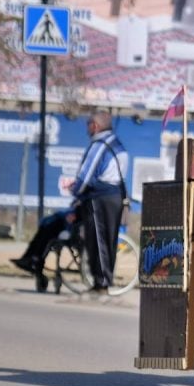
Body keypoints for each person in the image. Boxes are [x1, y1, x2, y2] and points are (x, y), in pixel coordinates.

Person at [70, 110, 128, 295]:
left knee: (98, 240)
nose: (87, 128)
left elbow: (85, 177)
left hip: (100, 198)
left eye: (88, 124)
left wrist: (76, 194)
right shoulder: (117, 144)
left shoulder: (99, 146)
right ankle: (102, 281)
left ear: (95, 125)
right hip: (115, 197)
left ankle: (101, 283)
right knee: (108, 241)